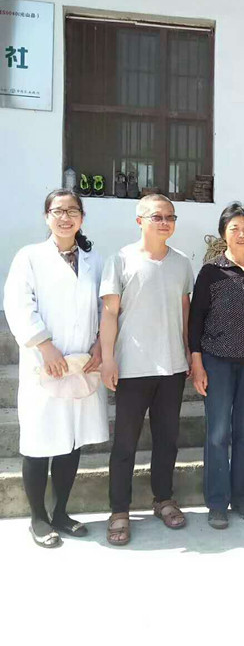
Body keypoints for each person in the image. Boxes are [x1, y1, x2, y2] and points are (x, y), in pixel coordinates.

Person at [3, 190, 108, 548]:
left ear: (82, 217)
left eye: (72, 211)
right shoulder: (30, 257)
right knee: (38, 440)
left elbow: (104, 307)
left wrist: (100, 344)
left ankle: (60, 512)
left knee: (71, 439)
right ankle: (37, 518)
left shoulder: (93, 260)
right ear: (46, 216)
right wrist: (45, 346)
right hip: (43, 363)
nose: (65, 217)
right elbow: (19, 305)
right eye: (57, 211)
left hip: (82, 363)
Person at [100, 194, 194, 545]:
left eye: (170, 216)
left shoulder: (182, 263)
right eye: (157, 216)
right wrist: (108, 357)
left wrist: (188, 350)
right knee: (125, 443)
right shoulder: (120, 259)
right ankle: (119, 511)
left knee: (167, 440)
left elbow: (185, 311)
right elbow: (110, 313)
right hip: (132, 366)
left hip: (172, 366)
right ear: (140, 220)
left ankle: (163, 499)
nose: (165, 222)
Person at [189, 203, 244, 529]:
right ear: (223, 233)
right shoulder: (211, 272)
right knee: (217, 433)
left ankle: (241, 498)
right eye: (234, 228)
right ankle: (217, 503)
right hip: (217, 362)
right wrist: (197, 363)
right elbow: (195, 320)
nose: (241, 234)